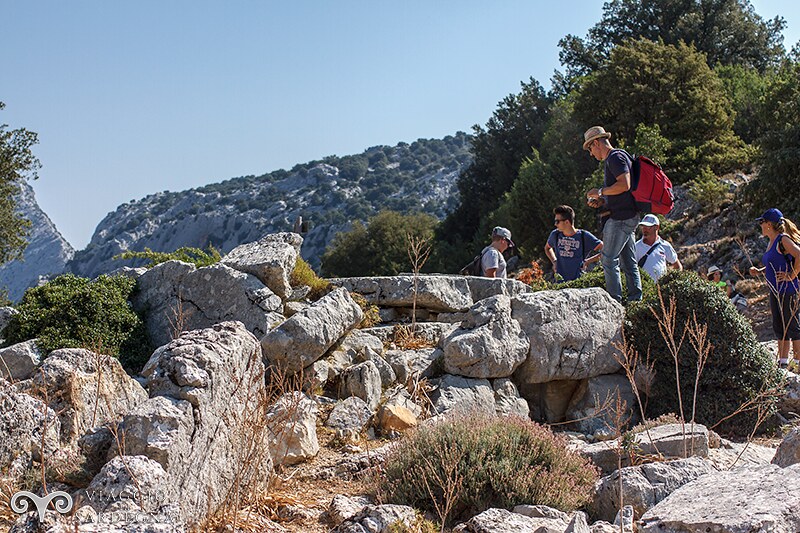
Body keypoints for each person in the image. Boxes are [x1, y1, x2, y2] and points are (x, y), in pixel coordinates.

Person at [583, 126, 643, 302]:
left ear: (596, 143)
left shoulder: (614, 158)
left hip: (620, 219)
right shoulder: (621, 156)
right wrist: (602, 201)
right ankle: (635, 301)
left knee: (608, 260)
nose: (592, 154)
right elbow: (623, 191)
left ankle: (614, 303)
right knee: (629, 263)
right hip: (629, 216)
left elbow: (624, 184)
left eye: (590, 149)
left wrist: (600, 192)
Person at [748, 208, 800, 369]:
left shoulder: (782, 239)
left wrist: (791, 275)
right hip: (776, 291)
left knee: (792, 327)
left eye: (762, 222)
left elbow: (799, 254)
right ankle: (783, 363)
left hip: (789, 290)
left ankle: (798, 364)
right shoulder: (772, 242)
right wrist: (760, 271)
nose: (760, 226)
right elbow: (775, 263)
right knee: (779, 326)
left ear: (769, 224)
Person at [545, 205, 603, 282]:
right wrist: (554, 261)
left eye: (557, 221)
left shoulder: (584, 235)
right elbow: (547, 248)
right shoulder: (555, 234)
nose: (555, 224)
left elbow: (606, 250)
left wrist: (588, 261)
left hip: (578, 283)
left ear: (567, 222)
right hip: (559, 283)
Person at [634, 214, 682, 282]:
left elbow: (677, 265)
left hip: (661, 289)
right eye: (643, 226)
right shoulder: (636, 246)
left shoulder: (665, 245)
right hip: (644, 288)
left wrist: (673, 282)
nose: (644, 229)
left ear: (656, 227)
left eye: (648, 226)